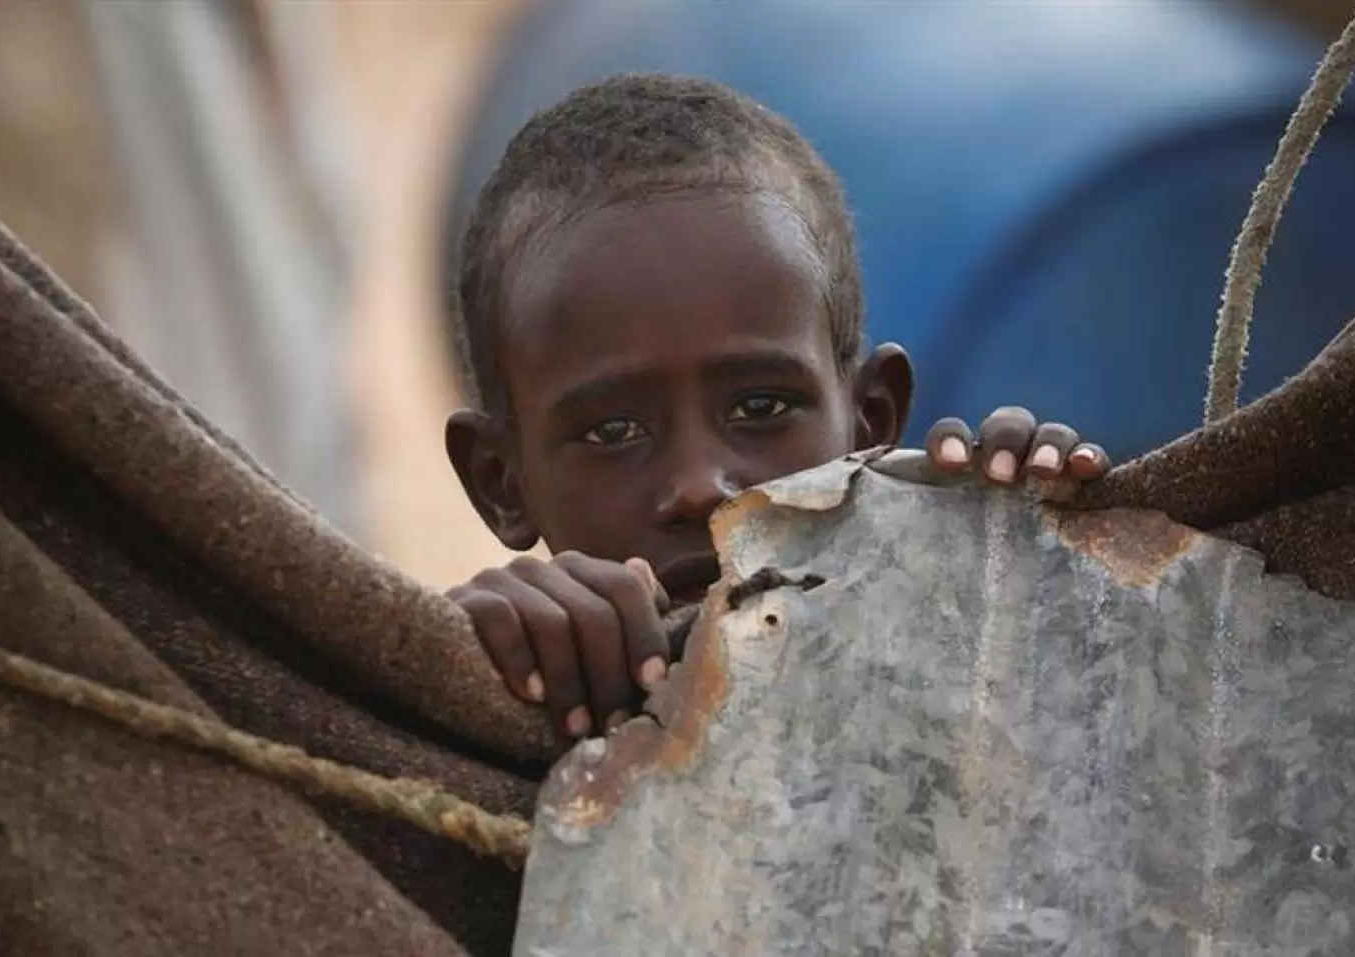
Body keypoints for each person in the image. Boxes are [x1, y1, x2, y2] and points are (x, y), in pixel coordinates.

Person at [442, 74, 1109, 741]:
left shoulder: (977, 655)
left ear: (870, 421)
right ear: (502, 482)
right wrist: (446, 668)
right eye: (614, 430)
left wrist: (1038, 564)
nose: (702, 485)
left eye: (760, 406)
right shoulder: (480, 728)